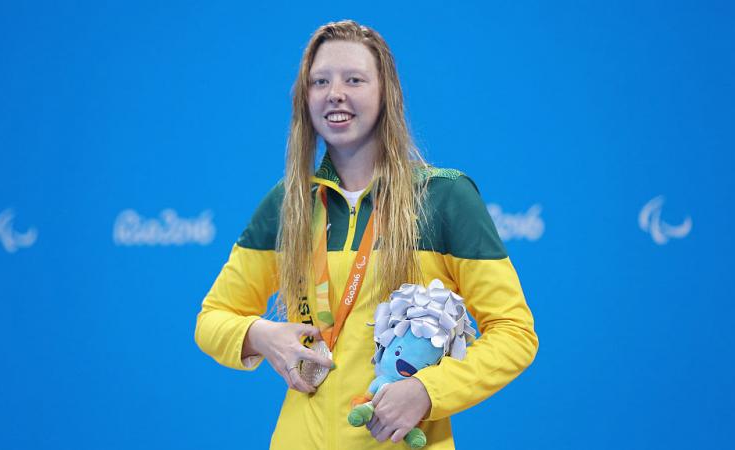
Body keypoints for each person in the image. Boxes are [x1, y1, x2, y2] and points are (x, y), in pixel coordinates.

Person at [194, 19, 539, 450]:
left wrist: (429, 391)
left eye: (353, 79)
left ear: (386, 93)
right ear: (305, 97)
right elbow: (212, 318)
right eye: (320, 81)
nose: (335, 92)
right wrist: (259, 336)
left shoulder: (445, 197)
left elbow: (514, 332)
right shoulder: (288, 203)